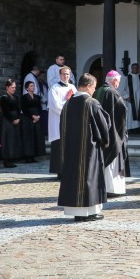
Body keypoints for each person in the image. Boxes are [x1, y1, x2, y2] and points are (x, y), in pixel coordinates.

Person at [58, 73, 111, 221]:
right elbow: (103, 126)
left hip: (70, 150)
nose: (94, 90)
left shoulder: (68, 103)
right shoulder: (91, 103)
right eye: (94, 87)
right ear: (87, 86)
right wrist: (105, 140)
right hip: (88, 151)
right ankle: (88, 212)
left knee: (73, 179)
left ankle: (76, 212)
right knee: (88, 178)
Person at [94, 70, 128, 197]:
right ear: (114, 81)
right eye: (118, 81)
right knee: (113, 159)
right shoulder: (113, 92)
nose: (118, 84)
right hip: (113, 132)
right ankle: (112, 189)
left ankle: (104, 187)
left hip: (101, 132)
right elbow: (122, 112)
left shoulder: (98, 91)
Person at [48, 66, 77, 178]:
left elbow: (77, 103)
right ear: (60, 75)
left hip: (71, 121)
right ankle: (60, 171)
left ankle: (70, 170)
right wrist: (68, 101)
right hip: (58, 121)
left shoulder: (73, 87)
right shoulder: (54, 88)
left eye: (68, 74)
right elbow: (55, 106)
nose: (66, 76)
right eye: (64, 74)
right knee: (59, 146)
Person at [118, 63, 140, 133]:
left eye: (136, 68)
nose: (135, 69)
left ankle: (138, 129)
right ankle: (130, 129)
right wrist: (126, 97)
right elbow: (121, 90)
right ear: (131, 69)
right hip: (130, 101)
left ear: (138, 68)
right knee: (130, 115)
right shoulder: (127, 78)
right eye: (133, 68)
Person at [0, 79, 22, 168]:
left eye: (15, 87)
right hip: (7, 121)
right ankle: (6, 159)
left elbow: (19, 109)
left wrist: (18, 118)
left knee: (13, 140)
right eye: (12, 87)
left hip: (16, 120)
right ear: (7, 87)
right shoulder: (4, 98)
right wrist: (12, 120)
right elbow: (5, 110)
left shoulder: (15, 97)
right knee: (7, 140)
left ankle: (12, 158)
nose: (14, 89)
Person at [21, 80, 45, 163]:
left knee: (35, 137)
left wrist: (38, 116)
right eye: (31, 86)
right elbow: (24, 109)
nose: (33, 87)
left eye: (33, 86)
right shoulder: (24, 97)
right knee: (29, 137)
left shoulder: (37, 97)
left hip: (36, 118)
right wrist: (32, 116)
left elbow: (39, 108)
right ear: (27, 88)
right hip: (28, 118)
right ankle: (28, 156)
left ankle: (34, 155)